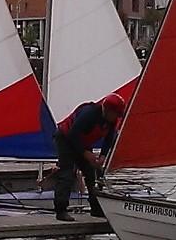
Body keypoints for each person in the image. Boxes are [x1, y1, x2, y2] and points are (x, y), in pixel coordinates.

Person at [53, 93, 125, 221]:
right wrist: (85, 153)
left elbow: (109, 139)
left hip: (82, 143)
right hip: (66, 139)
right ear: (107, 110)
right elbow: (73, 134)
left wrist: (103, 156)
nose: (117, 118)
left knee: (94, 174)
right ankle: (61, 210)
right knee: (67, 174)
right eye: (116, 114)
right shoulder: (89, 114)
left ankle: (96, 209)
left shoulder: (111, 121)